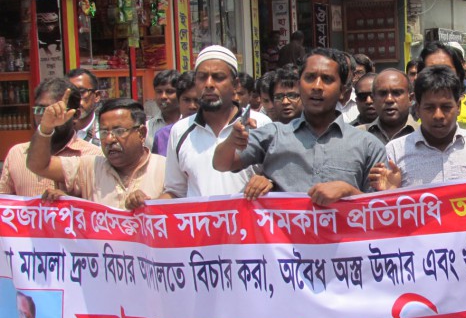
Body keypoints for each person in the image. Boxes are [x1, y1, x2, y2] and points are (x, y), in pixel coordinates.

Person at [212, 47, 386, 205]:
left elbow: (379, 211)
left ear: (342, 90)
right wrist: (232, 141)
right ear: (299, 85)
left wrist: (349, 192)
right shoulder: (273, 136)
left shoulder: (368, 146)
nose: (317, 86)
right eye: (310, 78)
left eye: (327, 79)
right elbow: (221, 163)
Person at [150, 45, 271, 203]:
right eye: (202, 77)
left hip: (248, 218)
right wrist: (147, 207)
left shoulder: (261, 124)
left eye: (218, 77)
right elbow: (175, 192)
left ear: (235, 85)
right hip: (199, 219)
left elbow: (277, 181)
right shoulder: (179, 130)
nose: (209, 84)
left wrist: (267, 182)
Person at [369, 65, 466, 190]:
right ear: (417, 109)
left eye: (446, 107)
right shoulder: (395, 152)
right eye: (430, 108)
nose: (438, 115)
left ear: (458, 107)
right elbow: (385, 203)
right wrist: (390, 193)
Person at [25, 96, 166, 210]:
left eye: (119, 131)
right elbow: (39, 166)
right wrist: (46, 128)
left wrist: (151, 206)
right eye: (104, 132)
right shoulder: (89, 167)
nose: (109, 139)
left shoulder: (165, 169)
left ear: (141, 133)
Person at [0, 78, 101, 197]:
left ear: (75, 115)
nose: (46, 118)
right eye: (40, 110)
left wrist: (72, 202)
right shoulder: (17, 154)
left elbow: (103, 204)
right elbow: (5, 202)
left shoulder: (95, 157)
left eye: (55, 111)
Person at [358, 69, 418, 144]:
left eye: (396, 93)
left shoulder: (425, 135)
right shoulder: (357, 136)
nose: (389, 99)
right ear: (373, 99)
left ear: (410, 99)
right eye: (383, 94)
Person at [151, 72, 200, 156]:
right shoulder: (163, 135)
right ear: (178, 100)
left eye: (197, 100)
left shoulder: (216, 132)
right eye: (186, 100)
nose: (192, 106)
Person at [146, 69, 181, 150]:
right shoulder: (148, 128)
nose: (163, 96)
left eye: (169, 91)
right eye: (159, 92)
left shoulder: (190, 124)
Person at [66, 68, 102, 145]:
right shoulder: (54, 135)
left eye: (82, 92)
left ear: (96, 96)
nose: (75, 99)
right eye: (70, 94)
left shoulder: (105, 135)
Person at [336, 53, 360, 123]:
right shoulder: (322, 104)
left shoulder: (363, 100)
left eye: (344, 70)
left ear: (354, 75)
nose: (339, 75)